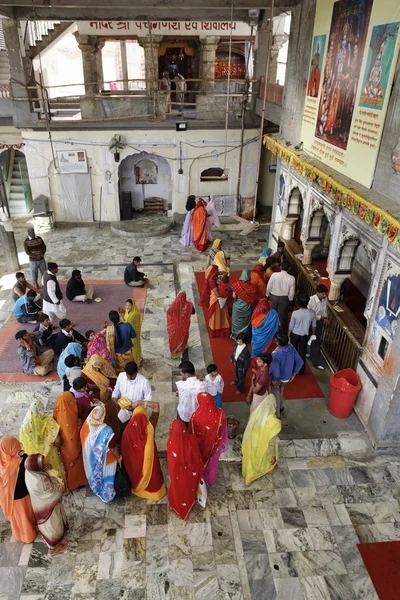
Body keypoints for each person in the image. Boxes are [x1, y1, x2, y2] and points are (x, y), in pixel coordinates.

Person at [24, 454, 69, 556]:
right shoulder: (39, 482)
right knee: (53, 525)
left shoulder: (30, 471)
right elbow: (56, 491)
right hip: (48, 508)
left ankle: (48, 539)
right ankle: (53, 549)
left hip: (40, 505)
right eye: (43, 463)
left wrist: (45, 469)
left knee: (46, 526)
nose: (45, 463)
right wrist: (55, 477)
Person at [122, 402, 166, 500]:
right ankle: (156, 493)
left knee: (136, 472)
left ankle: (139, 488)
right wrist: (140, 402)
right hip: (151, 460)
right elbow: (156, 406)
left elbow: (125, 453)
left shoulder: (127, 432)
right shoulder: (150, 427)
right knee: (153, 474)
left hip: (136, 465)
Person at [80, 403, 121, 503]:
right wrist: (119, 458)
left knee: (96, 473)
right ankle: (107, 494)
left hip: (90, 457)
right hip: (107, 459)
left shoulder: (86, 425)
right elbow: (113, 448)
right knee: (107, 474)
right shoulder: (106, 430)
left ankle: (96, 486)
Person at [0, 436, 37, 543]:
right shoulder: (20, 461)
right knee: (25, 516)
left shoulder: (2, 463)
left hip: (8, 499)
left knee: (17, 519)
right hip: (22, 496)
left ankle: (19, 534)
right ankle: (29, 536)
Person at [19, 399, 65, 485]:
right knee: (53, 474)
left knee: (39, 480)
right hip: (49, 456)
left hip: (34, 459)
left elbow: (22, 445)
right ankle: (58, 488)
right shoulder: (49, 422)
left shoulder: (24, 427)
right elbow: (58, 441)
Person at [167, 419, 204, 521]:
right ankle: (189, 503)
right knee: (188, 490)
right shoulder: (192, 440)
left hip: (177, 475)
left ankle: (179, 506)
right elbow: (197, 458)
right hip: (190, 474)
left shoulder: (171, 442)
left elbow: (171, 464)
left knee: (178, 490)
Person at [242, 394, 282, 487]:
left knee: (252, 460)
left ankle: (248, 480)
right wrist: (273, 455)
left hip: (252, 441)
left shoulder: (256, 413)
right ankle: (268, 469)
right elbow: (272, 442)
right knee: (265, 458)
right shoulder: (274, 422)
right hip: (264, 445)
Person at [189, 392, 228, 486]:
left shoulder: (195, 416)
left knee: (200, 462)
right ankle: (210, 480)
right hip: (215, 446)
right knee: (212, 463)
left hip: (200, 448)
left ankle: (200, 478)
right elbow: (224, 431)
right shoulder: (221, 413)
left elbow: (190, 434)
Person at [53, 392, 88, 490]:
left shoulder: (56, 409)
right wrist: (80, 423)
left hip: (64, 446)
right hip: (72, 445)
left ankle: (72, 483)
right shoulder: (69, 414)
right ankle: (78, 482)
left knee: (69, 465)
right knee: (76, 464)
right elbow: (72, 435)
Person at [81, 354, 119, 434]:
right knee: (101, 417)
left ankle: (115, 433)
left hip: (107, 397)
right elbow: (84, 387)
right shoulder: (85, 373)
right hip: (95, 398)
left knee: (111, 415)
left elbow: (113, 379)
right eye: (94, 368)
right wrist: (92, 397)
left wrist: (109, 389)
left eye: (98, 368)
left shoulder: (105, 368)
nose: (97, 370)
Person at [270, 333, 303, 418]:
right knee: (281, 392)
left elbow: (276, 372)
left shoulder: (276, 354)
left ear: (277, 342)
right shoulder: (291, 347)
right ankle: (281, 409)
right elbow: (300, 362)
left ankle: (277, 416)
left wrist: (274, 380)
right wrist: (294, 374)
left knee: (276, 395)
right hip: (287, 377)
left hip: (277, 378)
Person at [112, 361, 152, 426]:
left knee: (136, 430)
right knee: (122, 427)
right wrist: (115, 398)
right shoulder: (121, 376)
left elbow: (148, 400)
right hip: (123, 412)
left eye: (132, 376)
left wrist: (136, 406)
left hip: (137, 413)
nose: (129, 377)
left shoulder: (144, 382)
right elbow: (117, 389)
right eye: (127, 375)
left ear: (137, 371)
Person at [199, 265, 230, 338]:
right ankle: (217, 329)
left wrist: (221, 274)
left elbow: (222, 272)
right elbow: (217, 294)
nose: (218, 271)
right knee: (217, 313)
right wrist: (224, 295)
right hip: (216, 299)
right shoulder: (211, 281)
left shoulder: (212, 276)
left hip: (216, 296)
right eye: (216, 270)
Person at [289, 293, 317, 375]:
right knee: (302, 352)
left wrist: (288, 335)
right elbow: (314, 326)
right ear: (308, 302)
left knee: (293, 351)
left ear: (298, 303)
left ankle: (291, 368)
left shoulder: (295, 313)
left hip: (294, 334)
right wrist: (313, 334)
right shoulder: (312, 313)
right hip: (305, 335)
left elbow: (291, 326)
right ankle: (301, 370)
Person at [266, 261, 295, 332]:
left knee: (272, 314)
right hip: (284, 299)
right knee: (282, 316)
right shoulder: (292, 278)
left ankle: (271, 330)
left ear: (281, 267)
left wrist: (267, 295)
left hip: (273, 297)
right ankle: (280, 332)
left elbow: (269, 286)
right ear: (289, 269)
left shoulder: (274, 275)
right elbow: (292, 292)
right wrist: (290, 300)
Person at [176, 361, 207, 426]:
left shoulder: (181, 385)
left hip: (183, 413)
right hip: (197, 413)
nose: (181, 373)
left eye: (182, 372)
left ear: (187, 374)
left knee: (183, 428)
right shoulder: (203, 385)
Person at [231, 270, 259, 339]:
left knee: (236, 322)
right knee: (245, 323)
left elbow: (234, 296)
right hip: (246, 308)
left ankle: (235, 336)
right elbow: (254, 299)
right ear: (249, 277)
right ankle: (244, 337)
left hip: (237, 308)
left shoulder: (236, 285)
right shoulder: (252, 287)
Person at [166, 291, 195, 358]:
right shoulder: (188, 305)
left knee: (175, 338)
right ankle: (182, 347)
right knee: (184, 336)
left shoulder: (174, 305)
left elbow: (169, 313)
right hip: (185, 326)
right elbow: (193, 312)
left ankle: (174, 351)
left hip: (175, 326)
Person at [308, 284, 329, 371]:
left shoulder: (325, 299)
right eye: (323, 294)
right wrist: (321, 317)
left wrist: (325, 318)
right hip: (310, 322)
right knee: (309, 338)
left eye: (325, 294)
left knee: (316, 340)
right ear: (318, 293)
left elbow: (324, 310)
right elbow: (310, 314)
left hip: (319, 322)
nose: (324, 296)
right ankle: (312, 357)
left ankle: (315, 360)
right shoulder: (311, 300)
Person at [119, 298, 142, 366]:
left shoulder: (134, 314)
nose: (127, 307)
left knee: (134, 346)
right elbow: (126, 315)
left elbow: (127, 324)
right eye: (126, 305)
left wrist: (121, 318)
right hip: (130, 331)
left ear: (133, 305)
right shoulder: (128, 310)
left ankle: (137, 360)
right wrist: (123, 311)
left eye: (129, 305)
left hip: (133, 332)